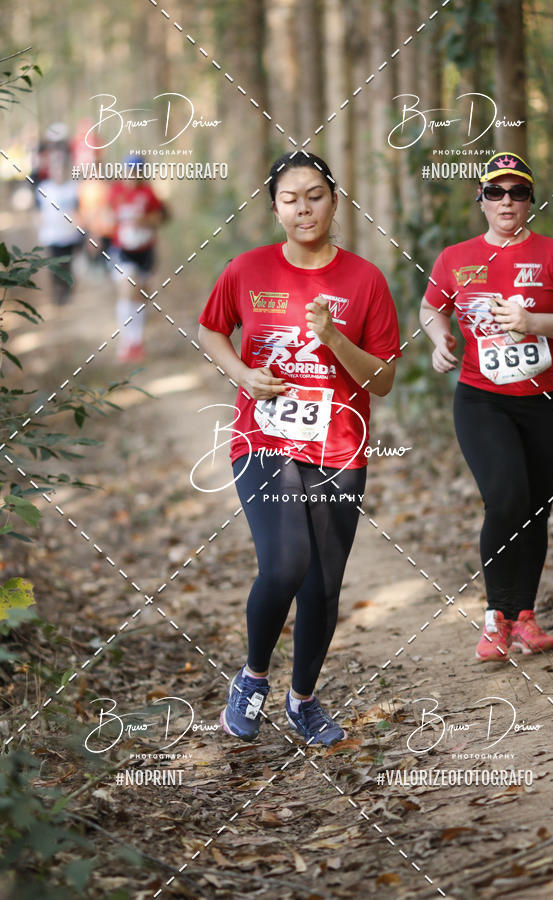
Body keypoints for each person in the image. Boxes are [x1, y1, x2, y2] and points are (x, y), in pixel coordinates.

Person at [198, 151, 400, 745]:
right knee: (286, 563)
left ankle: (303, 699)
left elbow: (383, 379)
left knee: (323, 587)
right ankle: (253, 678)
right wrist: (240, 372)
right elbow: (211, 328)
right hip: (262, 438)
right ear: (274, 207)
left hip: (339, 446)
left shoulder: (365, 281)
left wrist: (334, 336)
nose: (304, 208)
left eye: (315, 195)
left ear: (335, 200)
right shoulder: (247, 269)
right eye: (291, 198)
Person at [420, 151, 553, 662]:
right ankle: (495, 618)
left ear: (529, 202)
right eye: (495, 191)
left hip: (546, 400)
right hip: (481, 399)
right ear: (481, 199)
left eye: (517, 192)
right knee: (505, 498)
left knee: (536, 508)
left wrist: (533, 323)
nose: (506, 201)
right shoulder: (456, 257)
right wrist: (438, 340)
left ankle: (525, 617)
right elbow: (432, 305)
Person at [108, 155, 168, 362]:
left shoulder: (148, 193)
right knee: (127, 289)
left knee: (140, 295)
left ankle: (137, 342)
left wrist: (146, 220)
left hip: (145, 250)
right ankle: (127, 342)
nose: (132, 176)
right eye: (129, 171)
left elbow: (162, 216)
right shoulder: (115, 191)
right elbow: (104, 215)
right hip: (123, 250)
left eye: (137, 172)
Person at [37, 148, 82, 305]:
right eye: (56, 169)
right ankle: (58, 292)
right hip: (52, 235)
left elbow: (79, 209)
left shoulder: (74, 188)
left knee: (67, 264)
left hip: (70, 235)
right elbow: (39, 211)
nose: (59, 172)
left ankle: (67, 290)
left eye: (62, 169)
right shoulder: (44, 189)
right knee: (55, 266)